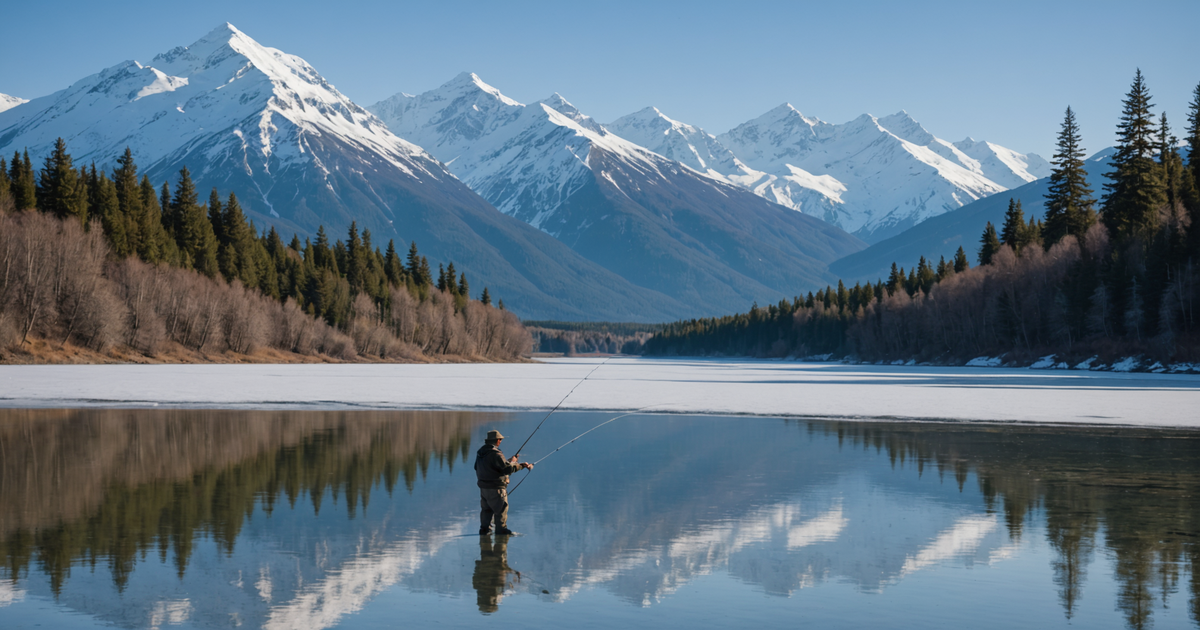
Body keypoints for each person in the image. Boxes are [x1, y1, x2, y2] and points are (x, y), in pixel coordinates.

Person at [474, 429, 532, 535]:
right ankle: (501, 531)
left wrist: (511, 462)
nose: (500, 441)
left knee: (486, 510)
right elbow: (507, 469)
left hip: (484, 488)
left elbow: (488, 467)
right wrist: (522, 465)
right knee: (501, 509)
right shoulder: (496, 453)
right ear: (496, 440)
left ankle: (484, 531)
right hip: (496, 488)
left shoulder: (481, 453)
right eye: (500, 439)